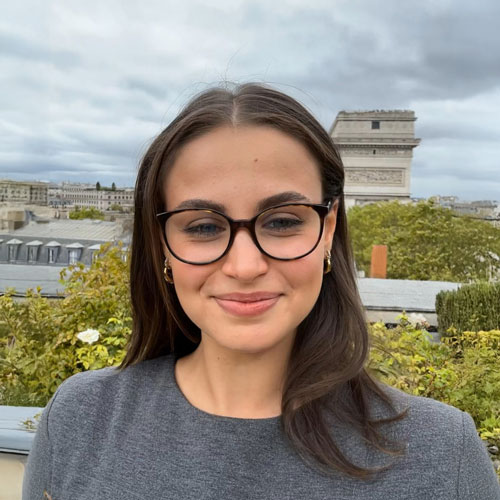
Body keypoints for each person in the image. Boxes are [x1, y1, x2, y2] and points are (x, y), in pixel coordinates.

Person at [23, 83, 499, 500]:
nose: (245, 266)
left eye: (282, 221)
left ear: (328, 229)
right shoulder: (78, 420)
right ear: (161, 246)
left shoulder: (443, 453)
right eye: (204, 227)